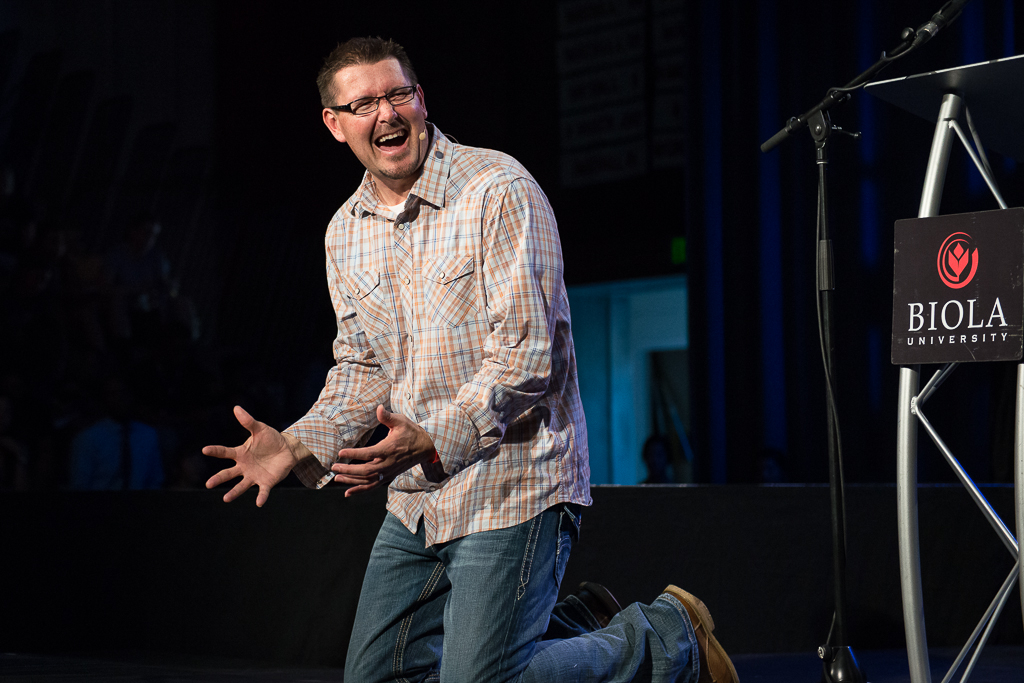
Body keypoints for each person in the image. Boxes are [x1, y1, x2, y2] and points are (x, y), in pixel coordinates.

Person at [203, 37, 739, 683]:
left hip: (515, 480)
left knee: (482, 681)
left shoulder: (498, 188)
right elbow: (361, 366)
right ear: (335, 123)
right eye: (365, 102)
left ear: (421, 98)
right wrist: (295, 444)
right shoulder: (345, 229)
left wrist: (437, 434)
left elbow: (530, 354)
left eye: (398, 94)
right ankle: (573, 625)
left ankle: (664, 637)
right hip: (418, 495)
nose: (387, 114)